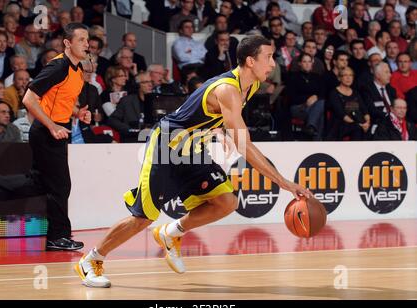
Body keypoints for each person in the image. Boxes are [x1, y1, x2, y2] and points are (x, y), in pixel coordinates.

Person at [74, 35, 312, 288]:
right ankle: (91, 260)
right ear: (251, 61)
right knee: (143, 217)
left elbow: (203, 110)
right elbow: (245, 146)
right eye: (268, 57)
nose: (273, 64)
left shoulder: (249, 85)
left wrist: (219, 129)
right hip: (167, 146)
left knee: (226, 201)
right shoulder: (228, 89)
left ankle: (171, 232)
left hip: (193, 147)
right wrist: (285, 183)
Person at [0, 23, 91, 251]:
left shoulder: (76, 70)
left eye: (87, 40)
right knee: (60, 186)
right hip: (47, 132)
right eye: (82, 39)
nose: (87, 44)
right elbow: (29, 99)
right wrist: (52, 125)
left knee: (40, 182)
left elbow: (58, 100)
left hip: (57, 130)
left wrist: (78, 113)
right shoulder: (58, 66)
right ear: (67, 43)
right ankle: (58, 237)